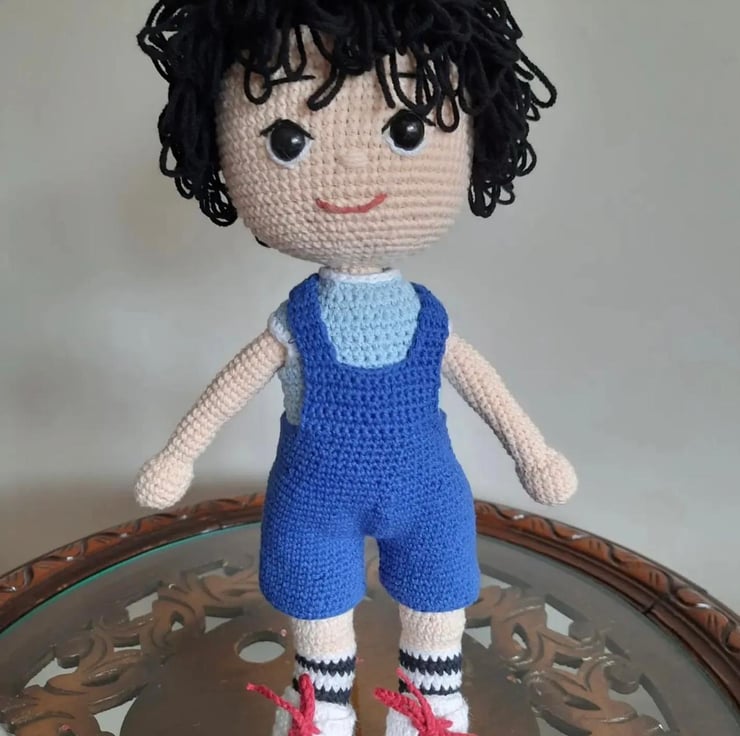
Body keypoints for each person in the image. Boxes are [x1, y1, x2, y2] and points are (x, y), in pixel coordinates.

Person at [135, 2, 577, 734]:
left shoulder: (427, 319)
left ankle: (430, 704)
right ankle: (322, 706)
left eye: (405, 132)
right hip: (314, 498)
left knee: (439, 594)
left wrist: (532, 451)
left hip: (426, 491)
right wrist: (178, 455)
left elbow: (481, 385)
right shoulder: (294, 322)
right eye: (287, 140)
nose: (348, 165)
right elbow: (229, 390)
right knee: (315, 604)